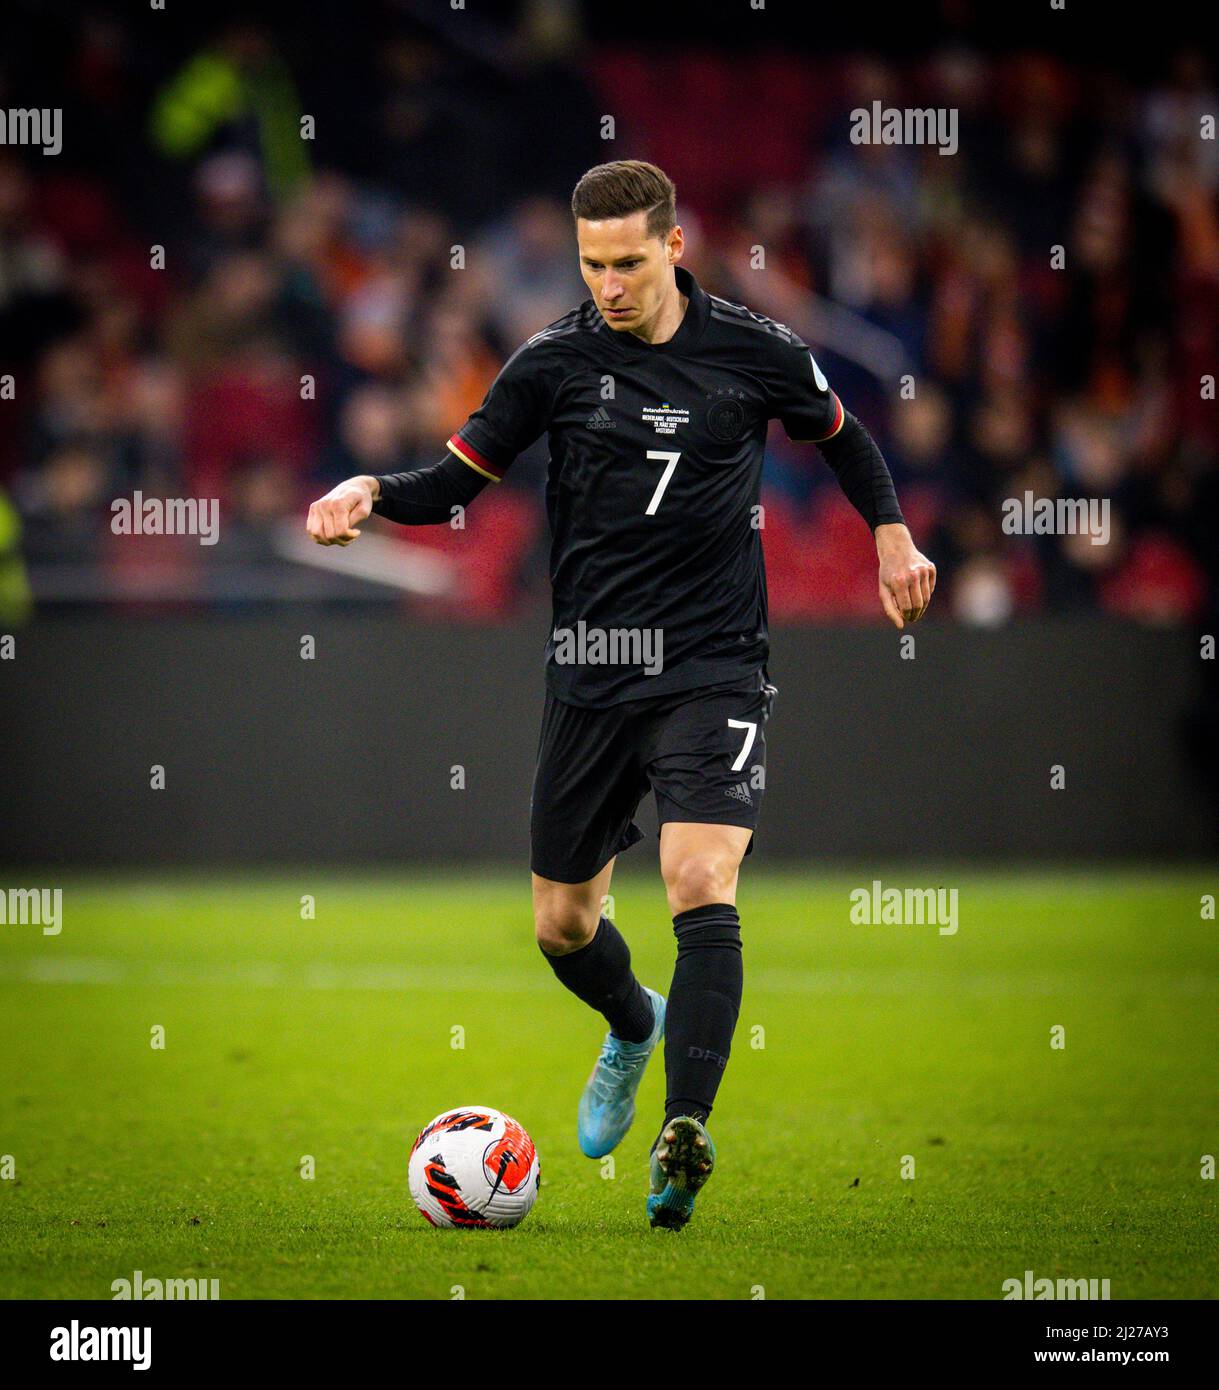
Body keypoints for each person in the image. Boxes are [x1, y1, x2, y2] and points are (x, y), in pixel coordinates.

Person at [306, 160, 936, 1230]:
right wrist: (369, 489)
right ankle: (634, 1025)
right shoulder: (552, 361)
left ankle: (683, 1127)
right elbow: (458, 479)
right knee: (561, 925)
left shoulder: (756, 349)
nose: (609, 283)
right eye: (593, 263)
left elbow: (845, 437)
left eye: (629, 262)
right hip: (592, 669)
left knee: (699, 877)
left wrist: (890, 534)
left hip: (713, 662)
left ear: (674, 247)